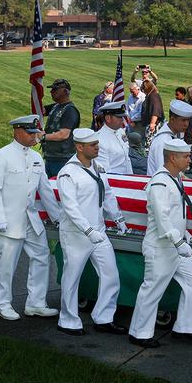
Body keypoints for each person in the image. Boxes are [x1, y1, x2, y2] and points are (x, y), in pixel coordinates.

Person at [128, 138, 192, 348]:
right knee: (152, 289)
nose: (190, 159)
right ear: (173, 157)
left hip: (177, 245)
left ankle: (186, 327)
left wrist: (185, 234)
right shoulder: (159, 182)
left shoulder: (175, 178)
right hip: (162, 247)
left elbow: (176, 213)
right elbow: (162, 220)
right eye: (186, 156)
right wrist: (180, 242)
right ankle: (139, 333)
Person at [0, 115, 61, 321]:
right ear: (17, 131)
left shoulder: (36, 157)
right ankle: (2, 304)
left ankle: (36, 303)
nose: (33, 137)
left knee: (42, 256)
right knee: (7, 264)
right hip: (8, 221)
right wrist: (0, 219)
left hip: (30, 218)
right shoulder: (2, 155)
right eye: (29, 133)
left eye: (35, 132)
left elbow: (44, 190)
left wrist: (57, 216)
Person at [56, 128, 129, 336]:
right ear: (79, 147)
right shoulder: (68, 173)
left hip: (99, 231)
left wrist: (119, 218)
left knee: (110, 275)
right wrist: (88, 231)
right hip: (77, 234)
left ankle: (104, 317)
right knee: (72, 277)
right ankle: (68, 320)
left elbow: (107, 194)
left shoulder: (98, 167)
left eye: (97, 144)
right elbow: (70, 208)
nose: (98, 147)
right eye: (93, 145)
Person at [42, 79, 80, 177]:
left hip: (62, 158)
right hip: (51, 156)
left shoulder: (70, 111)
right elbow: (40, 110)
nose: (51, 92)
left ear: (65, 91)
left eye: (55, 90)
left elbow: (63, 135)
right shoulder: (56, 106)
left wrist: (42, 137)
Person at [147, 99, 192, 172]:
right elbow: (164, 170)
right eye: (183, 120)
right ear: (172, 119)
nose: (186, 124)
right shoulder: (163, 141)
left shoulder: (175, 135)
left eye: (188, 120)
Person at [95, 101, 133, 174]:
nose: (122, 120)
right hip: (113, 181)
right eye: (119, 117)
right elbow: (104, 171)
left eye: (122, 117)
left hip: (127, 178)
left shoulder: (121, 132)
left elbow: (127, 159)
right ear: (108, 118)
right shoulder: (99, 140)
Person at [139, 79, 164, 143]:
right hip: (149, 124)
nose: (142, 90)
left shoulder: (154, 96)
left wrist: (152, 123)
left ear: (147, 88)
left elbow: (156, 110)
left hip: (154, 125)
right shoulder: (150, 95)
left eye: (143, 88)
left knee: (149, 144)